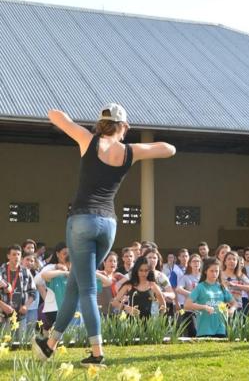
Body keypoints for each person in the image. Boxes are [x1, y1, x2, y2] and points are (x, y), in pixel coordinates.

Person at [32, 103, 175, 367]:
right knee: (76, 285)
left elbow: (55, 115)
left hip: (81, 221)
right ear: (123, 126)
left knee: (86, 290)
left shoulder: (89, 140)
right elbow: (169, 149)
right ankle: (49, 345)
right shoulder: (130, 151)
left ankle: (97, 354)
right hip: (108, 224)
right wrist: (130, 140)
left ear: (101, 124)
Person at [184, 257, 237, 337]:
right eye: (211, 271)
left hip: (221, 328)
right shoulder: (200, 287)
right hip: (204, 330)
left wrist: (232, 310)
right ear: (205, 271)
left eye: (217, 271)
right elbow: (187, 305)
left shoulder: (221, 287)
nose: (214, 274)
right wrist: (204, 307)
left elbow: (234, 303)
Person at [0, 245, 36, 335]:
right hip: (4, 314)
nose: (16, 257)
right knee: (5, 343)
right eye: (13, 254)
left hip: (20, 315)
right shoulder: (1, 271)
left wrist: (26, 306)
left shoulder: (25, 271)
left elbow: (33, 292)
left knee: (21, 345)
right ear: (8, 256)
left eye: (18, 254)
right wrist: (3, 305)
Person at [176, 254, 201, 336]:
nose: (196, 263)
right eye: (194, 261)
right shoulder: (186, 277)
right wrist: (192, 294)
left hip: (203, 308)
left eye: (198, 261)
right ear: (190, 263)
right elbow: (178, 289)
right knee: (193, 332)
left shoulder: (204, 277)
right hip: (190, 309)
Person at [97, 252, 125, 316]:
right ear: (104, 263)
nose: (113, 263)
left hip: (116, 314)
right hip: (102, 314)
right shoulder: (99, 275)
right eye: (110, 261)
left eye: (115, 261)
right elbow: (98, 292)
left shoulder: (118, 277)